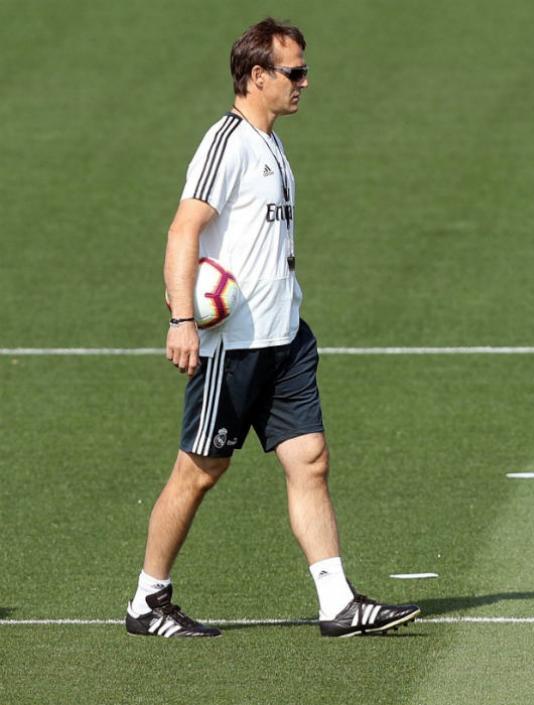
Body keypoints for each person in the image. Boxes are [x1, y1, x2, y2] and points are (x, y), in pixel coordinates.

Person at [126, 17, 419, 638]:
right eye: (295, 72)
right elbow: (183, 230)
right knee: (199, 471)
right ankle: (147, 601)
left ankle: (337, 603)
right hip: (234, 348)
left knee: (309, 460)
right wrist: (182, 320)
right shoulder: (226, 144)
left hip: (285, 339)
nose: (304, 82)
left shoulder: (270, 143)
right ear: (258, 76)